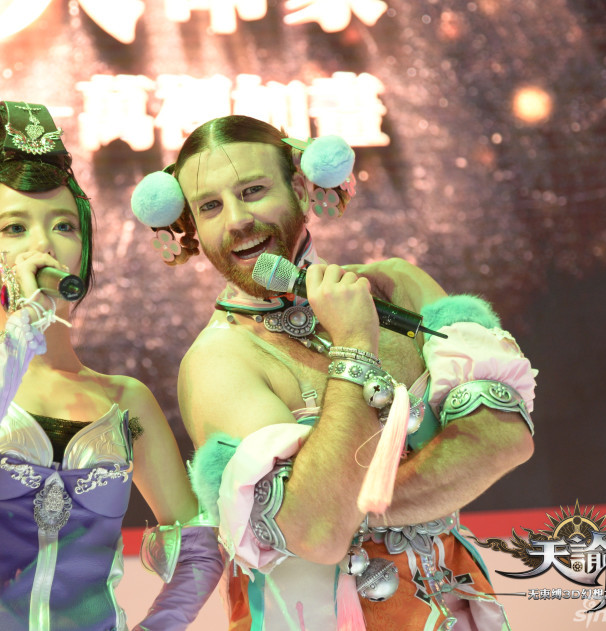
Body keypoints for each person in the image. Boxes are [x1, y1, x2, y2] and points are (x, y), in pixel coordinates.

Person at [129, 115, 537, 630]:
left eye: (253, 191)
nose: (236, 220)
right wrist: (354, 346)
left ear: (301, 189)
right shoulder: (218, 360)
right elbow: (317, 532)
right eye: (210, 206)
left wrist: (345, 504)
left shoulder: (397, 288)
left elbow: (504, 438)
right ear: (191, 227)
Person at [0, 101, 223, 631]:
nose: (43, 245)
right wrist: (23, 326)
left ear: (84, 251)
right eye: (15, 228)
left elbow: (200, 550)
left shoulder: (125, 402)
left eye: (64, 226)